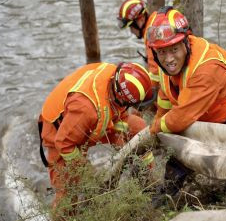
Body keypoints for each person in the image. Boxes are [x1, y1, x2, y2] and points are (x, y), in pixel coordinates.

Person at [146, 7, 226, 200]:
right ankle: (165, 196)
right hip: (210, 109)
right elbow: (165, 99)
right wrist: (159, 119)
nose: (169, 58)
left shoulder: (206, 67)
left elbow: (180, 118)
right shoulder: (165, 65)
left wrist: (156, 128)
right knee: (178, 159)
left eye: (174, 49)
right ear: (155, 52)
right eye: (162, 52)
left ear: (186, 43)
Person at [38, 62, 154, 211]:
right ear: (121, 98)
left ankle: (147, 182)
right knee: (69, 190)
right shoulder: (86, 109)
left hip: (94, 115)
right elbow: (64, 143)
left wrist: (125, 148)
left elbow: (117, 112)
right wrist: (87, 172)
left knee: (138, 128)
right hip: (60, 131)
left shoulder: (116, 77)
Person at [117, 0, 160, 89]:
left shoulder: (151, 38)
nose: (131, 32)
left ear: (140, 20)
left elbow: (155, 77)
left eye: (131, 27)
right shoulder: (156, 20)